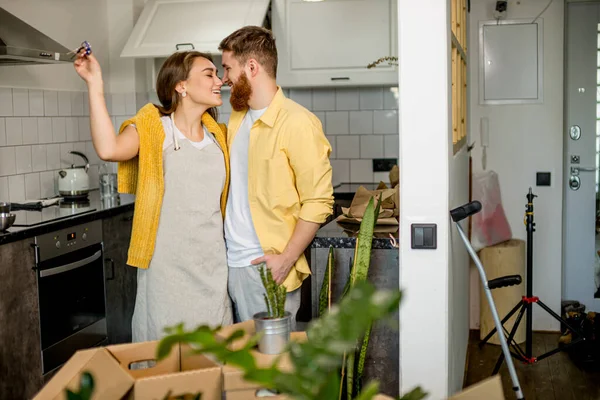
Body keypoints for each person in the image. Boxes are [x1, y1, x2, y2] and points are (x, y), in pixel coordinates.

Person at [74, 49, 233, 342]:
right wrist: (94, 85)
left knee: (214, 357)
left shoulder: (219, 136)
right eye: (209, 74)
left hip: (212, 267)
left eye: (218, 73)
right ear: (181, 86)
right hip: (166, 269)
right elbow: (109, 149)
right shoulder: (153, 128)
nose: (219, 80)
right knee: (164, 353)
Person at [219, 26, 334, 329]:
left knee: (271, 371)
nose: (223, 78)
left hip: (267, 268)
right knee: (241, 369)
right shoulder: (236, 119)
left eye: (228, 68)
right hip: (230, 265)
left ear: (252, 67)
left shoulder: (298, 123)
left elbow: (318, 201)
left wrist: (286, 258)